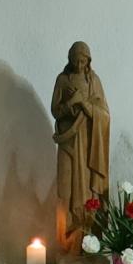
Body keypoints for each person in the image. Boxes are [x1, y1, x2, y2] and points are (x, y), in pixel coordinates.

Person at [50, 40, 110, 249]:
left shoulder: (94, 81)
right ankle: (65, 243)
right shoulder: (62, 80)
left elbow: (104, 115)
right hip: (67, 142)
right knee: (64, 190)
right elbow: (56, 111)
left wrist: (83, 103)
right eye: (75, 61)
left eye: (83, 61)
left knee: (87, 194)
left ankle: (88, 244)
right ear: (69, 60)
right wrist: (69, 105)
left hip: (88, 147)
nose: (78, 65)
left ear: (88, 61)